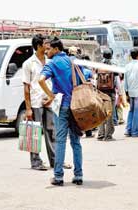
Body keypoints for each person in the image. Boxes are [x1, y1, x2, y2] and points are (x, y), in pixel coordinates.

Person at [39, 37, 84, 186]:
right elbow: (87, 76)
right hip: (77, 106)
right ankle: (78, 175)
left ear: (56, 49)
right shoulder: (73, 61)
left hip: (62, 106)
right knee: (76, 142)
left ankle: (58, 177)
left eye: (48, 49)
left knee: (60, 141)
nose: (46, 52)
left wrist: (51, 96)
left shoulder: (52, 63)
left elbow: (41, 80)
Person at [22, 34, 52, 171]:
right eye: (46, 43)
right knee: (35, 132)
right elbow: (26, 87)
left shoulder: (50, 61)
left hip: (50, 102)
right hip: (35, 103)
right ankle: (36, 162)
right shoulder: (28, 63)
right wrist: (28, 109)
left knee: (52, 132)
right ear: (39, 46)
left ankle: (55, 161)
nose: (48, 46)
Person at [97, 49, 122, 141]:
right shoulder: (113, 67)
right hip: (110, 93)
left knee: (101, 113)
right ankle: (108, 135)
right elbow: (117, 82)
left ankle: (100, 134)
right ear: (111, 56)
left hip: (100, 93)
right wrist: (120, 94)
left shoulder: (99, 66)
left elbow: (95, 80)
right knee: (109, 114)